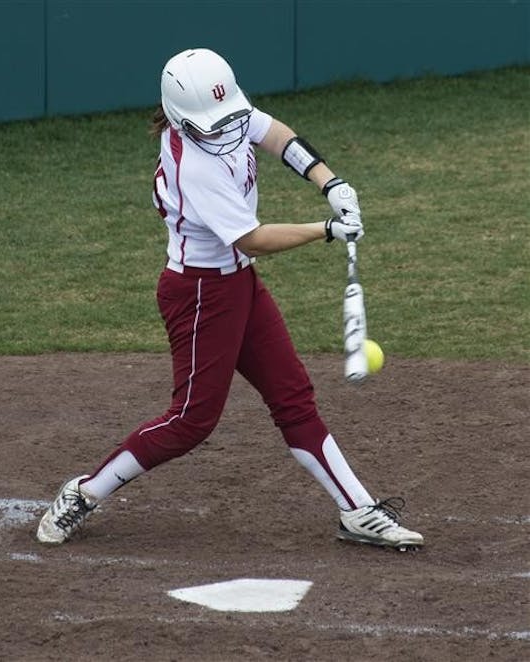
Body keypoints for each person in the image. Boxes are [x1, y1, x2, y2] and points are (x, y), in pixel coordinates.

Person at [36, 48, 423, 550]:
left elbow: (274, 133)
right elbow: (252, 239)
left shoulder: (224, 113)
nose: (224, 128)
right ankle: (84, 493)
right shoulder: (193, 164)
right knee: (190, 421)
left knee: (293, 397)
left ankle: (359, 511)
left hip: (238, 284)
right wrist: (325, 228)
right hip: (199, 293)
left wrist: (331, 182)